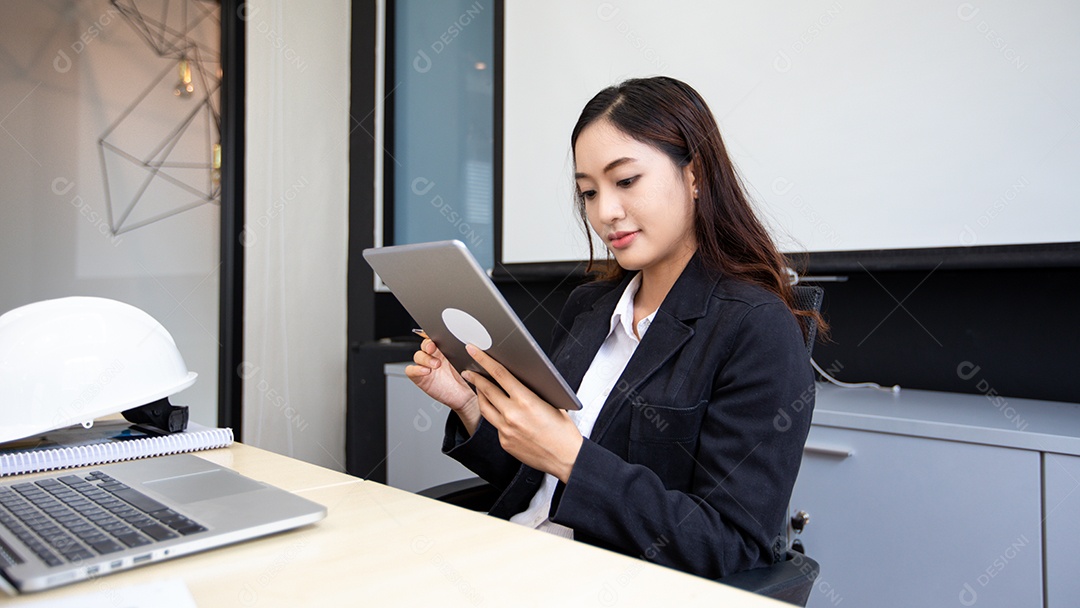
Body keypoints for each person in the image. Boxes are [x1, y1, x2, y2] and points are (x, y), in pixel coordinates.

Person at [405, 76, 823, 580]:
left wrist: (573, 459)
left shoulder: (756, 328)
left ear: (696, 175)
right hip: (520, 558)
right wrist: (470, 403)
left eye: (626, 181)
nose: (605, 212)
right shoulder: (590, 307)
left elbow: (729, 545)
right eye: (588, 192)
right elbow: (535, 482)